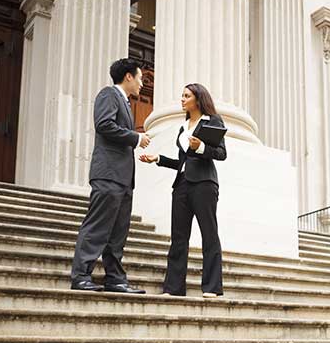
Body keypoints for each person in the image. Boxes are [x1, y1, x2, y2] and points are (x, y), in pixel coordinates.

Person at [70, 58, 149, 294]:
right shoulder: (109, 95)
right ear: (128, 76)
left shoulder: (124, 102)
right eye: (140, 78)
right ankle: (81, 276)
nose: (142, 84)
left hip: (123, 178)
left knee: (118, 232)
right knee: (97, 227)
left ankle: (115, 279)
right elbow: (104, 124)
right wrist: (136, 138)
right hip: (108, 174)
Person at [139, 83, 226, 297]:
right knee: (178, 237)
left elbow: (221, 153)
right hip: (182, 184)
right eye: (182, 95)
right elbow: (181, 161)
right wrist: (157, 158)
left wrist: (202, 147)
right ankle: (173, 288)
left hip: (205, 183)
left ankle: (212, 288)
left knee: (209, 233)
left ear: (198, 99)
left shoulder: (212, 121)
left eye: (186, 96)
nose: (182, 99)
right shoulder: (183, 127)